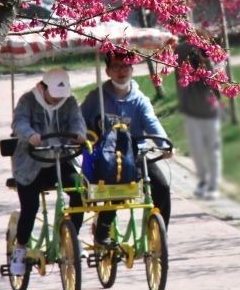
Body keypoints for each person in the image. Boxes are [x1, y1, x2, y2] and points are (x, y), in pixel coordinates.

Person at [81, 50, 172, 245]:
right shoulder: (96, 98)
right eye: (116, 67)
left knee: (162, 187)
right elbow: (80, 122)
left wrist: (164, 145)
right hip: (106, 156)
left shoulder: (140, 100)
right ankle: (102, 231)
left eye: (125, 66)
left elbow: (151, 122)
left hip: (135, 154)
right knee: (118, 187)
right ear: (107, 71)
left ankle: (160, 234)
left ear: (132, 69)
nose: (121, 71)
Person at [10, 68, 87, 275]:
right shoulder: (28, 100)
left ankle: (71, 239)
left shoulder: (69, 102)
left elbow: (77, 121)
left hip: (60, 159)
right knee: (30, 206)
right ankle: (20, 248)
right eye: (54, 94)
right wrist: (30, 134)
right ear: (43, 88)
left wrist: (79, 134)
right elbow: (19, 122)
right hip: (31, 162)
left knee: (79, 193)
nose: (58, 99)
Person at [174, 38, 223, 200]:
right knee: (196, 150)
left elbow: (218, 81)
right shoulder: (180, 50)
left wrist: (207, 59)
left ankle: (214, 184)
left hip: (209, 111)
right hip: (191, 110)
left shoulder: (211, 53)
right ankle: (203, 180)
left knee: (212, 149)